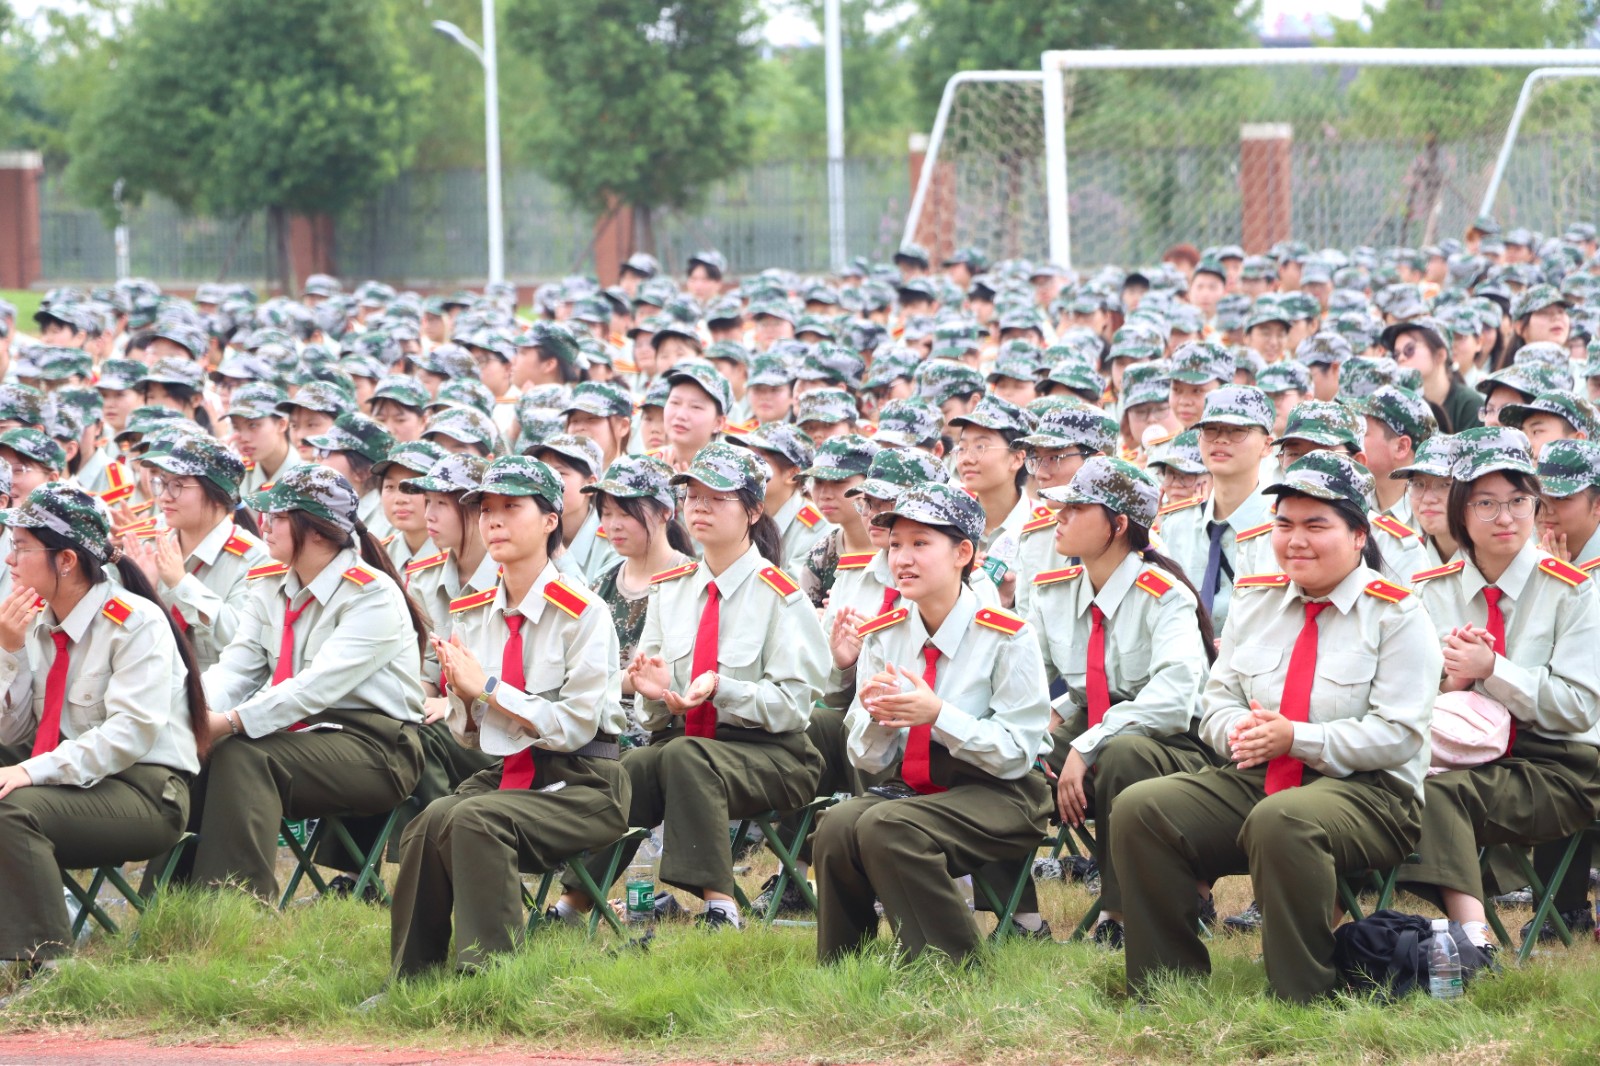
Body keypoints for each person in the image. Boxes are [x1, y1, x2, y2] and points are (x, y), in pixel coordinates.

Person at [1115, 451, 1441, 1003]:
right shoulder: (1256, 600)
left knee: (1282, 818)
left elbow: (1399, 735)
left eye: (1316, 525)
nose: (1296, 540)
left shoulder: (1398, 614)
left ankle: (1302, 995)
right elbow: (1216, 702)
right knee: (1141, 808)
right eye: (1284, 525)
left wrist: (1298, 738)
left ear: (1359, 535)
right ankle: (1165, 987)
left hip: (1372, 794)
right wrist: (1242, 730)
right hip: (1261, 776)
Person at [552, 442, 827, 930]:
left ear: (753, 511)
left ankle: (721, 907)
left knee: (682, 756)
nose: (699, 507)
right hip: (687, 742)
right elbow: (655, 714)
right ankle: (574, 904)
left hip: (773, 755)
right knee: (633, 768)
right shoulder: (672, 588)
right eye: (693, 496)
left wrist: (723, 688)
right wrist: (655, 692)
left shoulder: (781, 596)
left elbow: (793, 708)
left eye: (717, 498)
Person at [387, 457, 631, 978]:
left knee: (475, 818)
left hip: (586, 781)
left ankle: (490, 974)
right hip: (511, 772)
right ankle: (411, 976)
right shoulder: (474, 612)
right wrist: (464, 697)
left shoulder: (584, 613)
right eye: (485, 510)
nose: (493, 520)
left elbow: (575, 727)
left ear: (549, 520)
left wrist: (490, 691)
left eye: (510, 507)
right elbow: (469, 735)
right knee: (429, 822)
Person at [814, 482, 1051, 965]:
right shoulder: (884, 635)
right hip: (917, 787)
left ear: (963, 553)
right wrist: (879, 719)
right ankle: (844, 967)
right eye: (896, 544)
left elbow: (1017, 751)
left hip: (1001, 792)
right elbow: (866, 758)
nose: (902, 558)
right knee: (837, 825)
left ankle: (951, 965)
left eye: (920, 543)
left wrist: (939, 715)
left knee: (886, 824)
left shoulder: (1007, 636)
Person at [177, 465, 427, 901]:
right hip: (305, 736)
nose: (263, 526)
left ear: (316, 530)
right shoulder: (270, 584)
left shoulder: (371, 594)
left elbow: (314, 687)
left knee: (242, 755)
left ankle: (236, 903)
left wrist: (230, 722)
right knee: (200, 749)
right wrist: (192, 713)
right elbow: (237, 669)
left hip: (378, 747)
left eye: (277, 518)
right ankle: (174, 896)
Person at [1401, 427, 1600, 952]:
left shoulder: (1572, 591)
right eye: (1486, 503)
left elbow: (1580, 709)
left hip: (1556, 763)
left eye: (1519, 500)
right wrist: (1452, 682)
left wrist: (1494, 670)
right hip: (1457, 753)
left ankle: (1473, 941)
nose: (1506, 517)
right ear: (1461, 511)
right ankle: (1346, 928)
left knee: (1440, 795)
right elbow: (1405, 694)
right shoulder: (1428, 592)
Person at [0, 485, 205, 978]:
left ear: (66, 559)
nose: (9, 559)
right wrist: (9, 651)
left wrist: (30, 771)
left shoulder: (135, 622)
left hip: (145, 793)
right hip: (73, 784)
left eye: (22, 547)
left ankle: (47, 965)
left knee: (10, 809)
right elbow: (14, 731)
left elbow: (129, 735)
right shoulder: (35, 622)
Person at [1019, 457, 1218, 947]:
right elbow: (1022, 679)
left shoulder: (1165, 597)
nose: (1060, 516)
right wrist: (1033, 727)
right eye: (1061, 506)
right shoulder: (1053, 595)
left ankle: (1121, 915)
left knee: (1121, 753)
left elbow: (1172, 701)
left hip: (1176, 744)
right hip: (1093, 728)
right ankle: (1020, 916)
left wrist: (1087, 744)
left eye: (1076, 508)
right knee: (1011, 758)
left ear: (1119, 524)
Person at [126, 436, 269, 671]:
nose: (164, 496)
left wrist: (180, 584)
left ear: (217, 495)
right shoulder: (148, 545)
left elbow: (240, 640)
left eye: (178, 486)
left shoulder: (255, 559)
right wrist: (142, 589)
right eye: (162, 483)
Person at [1158, 386, 1276, 637]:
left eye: (1237, 430)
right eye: (1211, 429)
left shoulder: (1280, 528)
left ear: (1267, 446)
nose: (1221, 439)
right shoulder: (1176, 525)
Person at [585, 456, 694, 726]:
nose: (613, 524)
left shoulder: (691, 583)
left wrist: (610, 680)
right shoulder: (602, 582)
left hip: (656, 724)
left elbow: (680, 675)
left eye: (625, 513)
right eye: (606, 513)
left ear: (665, 512)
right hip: (597, 716)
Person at [799, 435, 881, 609]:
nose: (825, 494)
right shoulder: (822, 553)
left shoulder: (899, 546)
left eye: (838, 482)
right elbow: (800, 616)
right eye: (818, 482)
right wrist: (818, 618)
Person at [528, 434, 617, 585]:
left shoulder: (613, 539)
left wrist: (556, 551)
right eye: (539, 473)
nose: (545, 483)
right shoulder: (526, 531)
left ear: (590, 484)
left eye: (559, 473)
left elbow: (593, 599)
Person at [1391, 434, 1461, 571]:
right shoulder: (1403, 559)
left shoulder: (1493, 561)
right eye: (1418, 484)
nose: (1428, 499)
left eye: (1444, 485)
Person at [375, 440, 447, 573]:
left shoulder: (461, 560)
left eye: (413, 487)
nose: (400, 499)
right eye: (390, 487)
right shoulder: (376, 556)